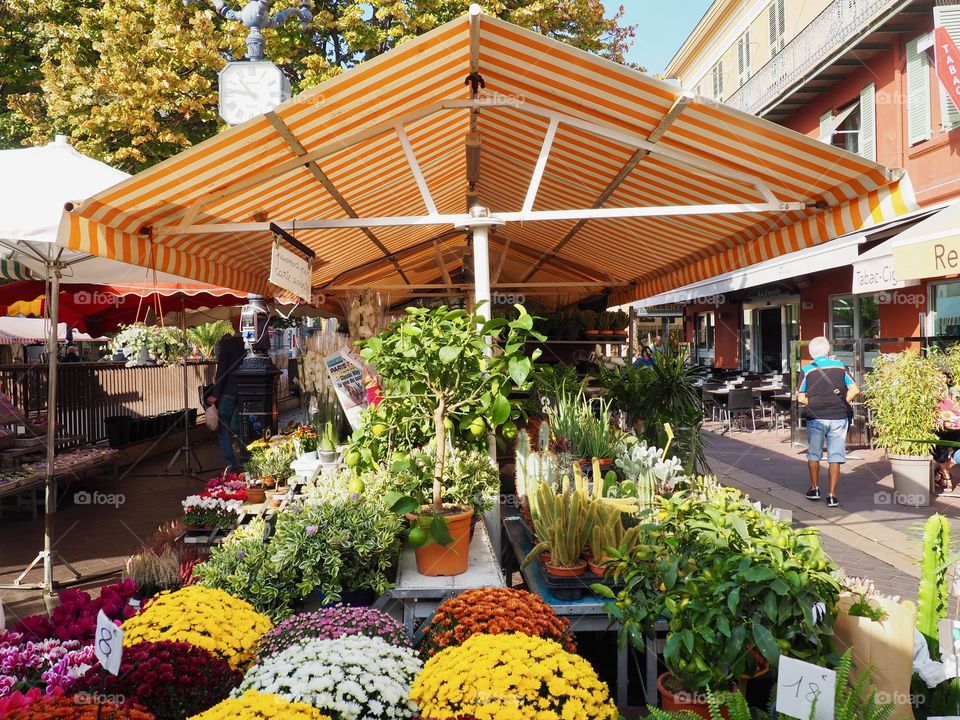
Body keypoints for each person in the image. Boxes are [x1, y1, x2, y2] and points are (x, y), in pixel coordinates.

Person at [797, 336, 860, 508]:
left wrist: (816, 404)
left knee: (814, 454)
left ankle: (814, 489)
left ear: (811, 353)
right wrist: (842, 401)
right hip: (839, 417)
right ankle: (832, 496)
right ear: (828, 351)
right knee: (835, 457)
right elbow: (855, 389)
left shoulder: (807, 370)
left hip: (816, 417)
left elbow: (801, 398)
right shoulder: (841, 367)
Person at [206, 320, 246, 469]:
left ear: (233, 326)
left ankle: (231, 463)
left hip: (229, 391)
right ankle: (246, 460)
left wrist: (215, 394)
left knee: (224, 428)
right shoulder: (251, 345)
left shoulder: (228, 344)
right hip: (246, 391)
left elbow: (222, 370)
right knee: (244, 427)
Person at [934, 386, 960, 494]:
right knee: (941, 455)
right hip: (941, 434)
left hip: (957, 432)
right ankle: (947, 477)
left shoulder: (952, 403)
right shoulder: (931, 405)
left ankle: (941, 470)